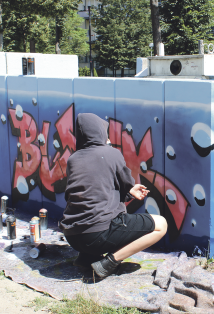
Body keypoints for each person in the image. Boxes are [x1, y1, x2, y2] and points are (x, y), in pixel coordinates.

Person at [60, 113, 167, 278]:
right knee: (161, 224)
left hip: (73, 236)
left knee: (99, 219)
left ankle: (86, 257)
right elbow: (125, 183)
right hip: (98, 235)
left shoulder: (73, 159)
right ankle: (109, 263)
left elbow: (94, 191)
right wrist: (130, 189)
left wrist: (128, 190)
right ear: (100, 133)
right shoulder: (111, 153)